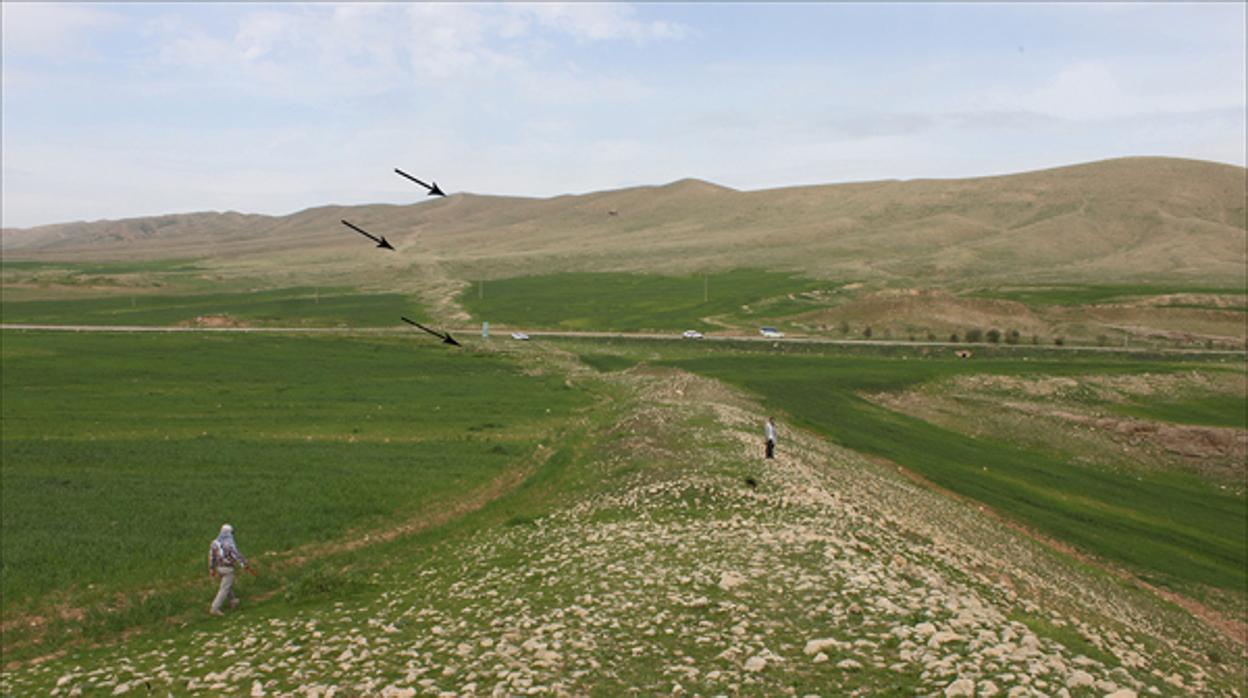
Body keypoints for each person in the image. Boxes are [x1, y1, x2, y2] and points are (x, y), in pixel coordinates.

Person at [208, 523, 248, 616]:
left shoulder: (214, 543)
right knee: (224, 588)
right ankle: (215, 608)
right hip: (228, 568)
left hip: (219, 567)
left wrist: (212, 569)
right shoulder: (229, 544)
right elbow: (236, 555)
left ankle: (233, 600)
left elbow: (211, 556)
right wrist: (244, 564)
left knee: (226, 584)